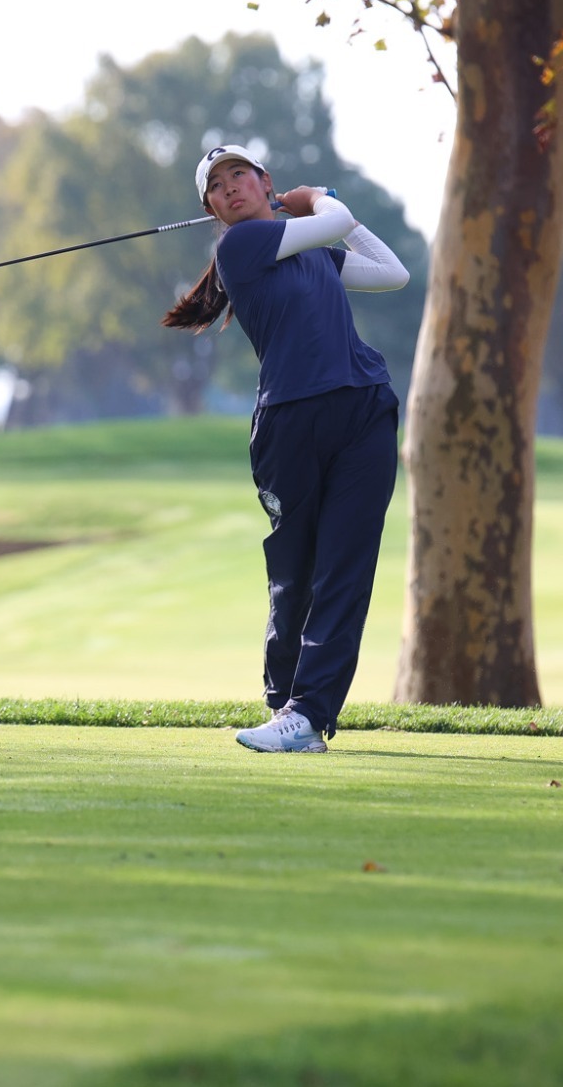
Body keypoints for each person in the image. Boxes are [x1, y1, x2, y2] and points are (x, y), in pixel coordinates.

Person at [164, 144, 410, 754]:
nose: (230, 189)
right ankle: (284, 703)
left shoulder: (315, 255)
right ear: (215, 212)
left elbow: (390, 271)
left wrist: (319, 211)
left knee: (344, 570)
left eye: (239, 175)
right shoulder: (238, 248)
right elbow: (335, 220)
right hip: (289, 421)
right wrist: (315, 199)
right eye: (217, 187)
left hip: (362, 411)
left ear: (262, 181)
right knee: (295, 570)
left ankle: (308, 715)